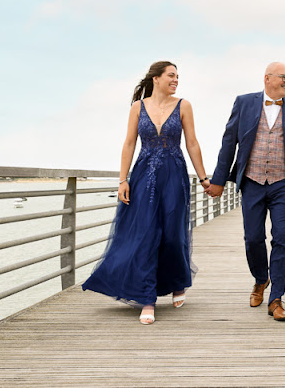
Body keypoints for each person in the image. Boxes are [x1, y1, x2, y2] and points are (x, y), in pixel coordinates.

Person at [82, 61, 210, 325]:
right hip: (143, 177)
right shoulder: (137, 108)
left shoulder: (184, 105)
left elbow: (192, 143)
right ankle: (147, 299)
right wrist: (122, 180)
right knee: (146, 235)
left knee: (174, 235)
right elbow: (129, 143)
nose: (176, 80)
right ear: (156, 78)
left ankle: (177, 282)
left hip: (174, 175)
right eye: (171, 76)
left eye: (177, 76)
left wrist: (204, 177)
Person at [206, 62, 285, 322]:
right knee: (252, 238)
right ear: (267, 78)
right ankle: (261, 279)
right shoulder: (244, 103)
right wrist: (217, 180)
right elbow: (229, 144)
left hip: (283, 183)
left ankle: (277, 298)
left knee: (282, 236)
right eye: (283, 77)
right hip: (252, 182)